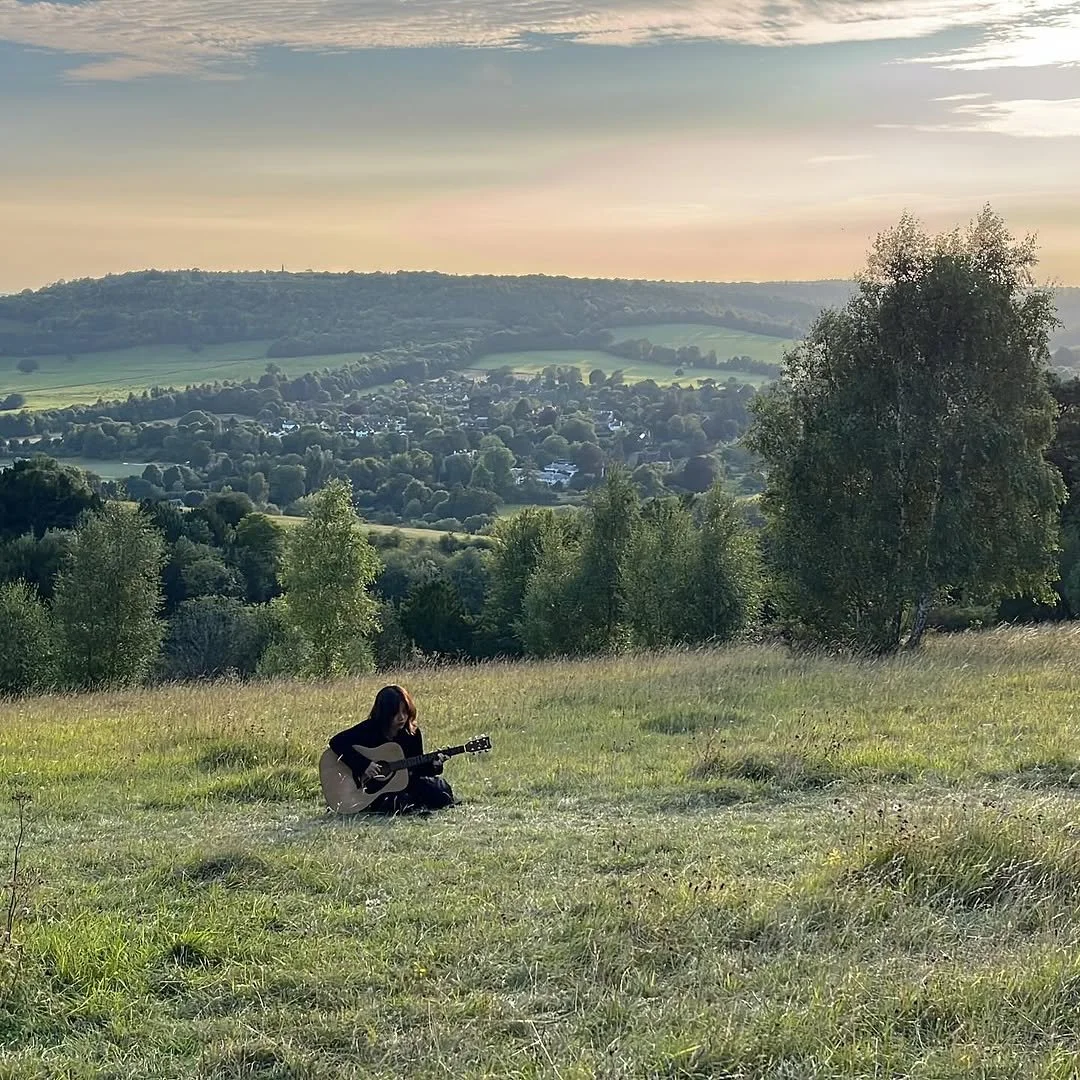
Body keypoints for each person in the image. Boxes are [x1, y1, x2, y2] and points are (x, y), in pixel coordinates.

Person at [328, 684, 454, 813]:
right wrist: (364, 765)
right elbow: (336, 742)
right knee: (396, 802)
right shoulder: (369, 730)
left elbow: (415, 769)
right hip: (375, 789)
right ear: (384, 714)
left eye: (405, 712)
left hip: (403, 784)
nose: (402, 717)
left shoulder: (412, 734)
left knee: (441, 792)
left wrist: (435, 765)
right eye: (395, 713)